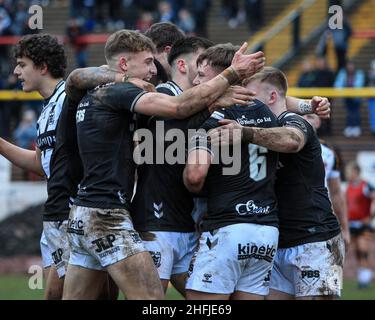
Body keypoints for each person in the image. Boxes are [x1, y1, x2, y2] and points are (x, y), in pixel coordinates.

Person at [62, 29, 266, 300]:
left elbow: (76, 79)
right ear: (124, 64)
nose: (153, 68)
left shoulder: (98, 90)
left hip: (84, 212)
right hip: (107, 216)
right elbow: (179, 109)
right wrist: (232, 74)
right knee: (153, 301)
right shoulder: (120, 92)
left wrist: (211, 103)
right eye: (147, 62)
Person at [209, 67, 344, 300]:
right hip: (278, 241)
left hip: (315, 240)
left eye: (249, 96)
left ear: (271, 98)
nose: (242, 102)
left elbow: (292, 140)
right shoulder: (265, 125)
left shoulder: (291, 121)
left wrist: (246, 133)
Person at [0, 34, 68, 299]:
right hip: (55, 213)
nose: (16, 71)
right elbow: (40, 164)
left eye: (22, 64)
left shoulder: (69, 102)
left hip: (72, 213)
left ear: (42, 67)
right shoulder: (46, 109)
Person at [304, 114, 350, 250]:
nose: (305, 119)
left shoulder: (329, 153)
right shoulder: (286, 146)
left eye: (310, 116)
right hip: (290, 215)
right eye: (301, 115)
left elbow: (336, 193)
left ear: (318, 122)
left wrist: (345, 228)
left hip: (320, 215)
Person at [345, 161, 375, 289]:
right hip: (351, 224)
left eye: (349, 172)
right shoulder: (348, 187)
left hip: (363, 225)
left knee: (363, 249)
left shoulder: (365, 186)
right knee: (356, 251)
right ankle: (363, 277)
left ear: (356, 172)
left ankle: (366, 278)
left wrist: (371, 216)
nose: (347, 174)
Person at [334, 60, 365, 138]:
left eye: (351, 65)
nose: (350, 67)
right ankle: (349, 126)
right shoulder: (343, 73)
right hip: (347, 96)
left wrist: (354, 90)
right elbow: (338, 84)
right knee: (349, 111)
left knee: (356, 111)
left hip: (356, 96)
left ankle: (356, 127)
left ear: (354, 66)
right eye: (348, 65)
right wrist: (342, 91)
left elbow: (360, 84)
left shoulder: (359, 73)